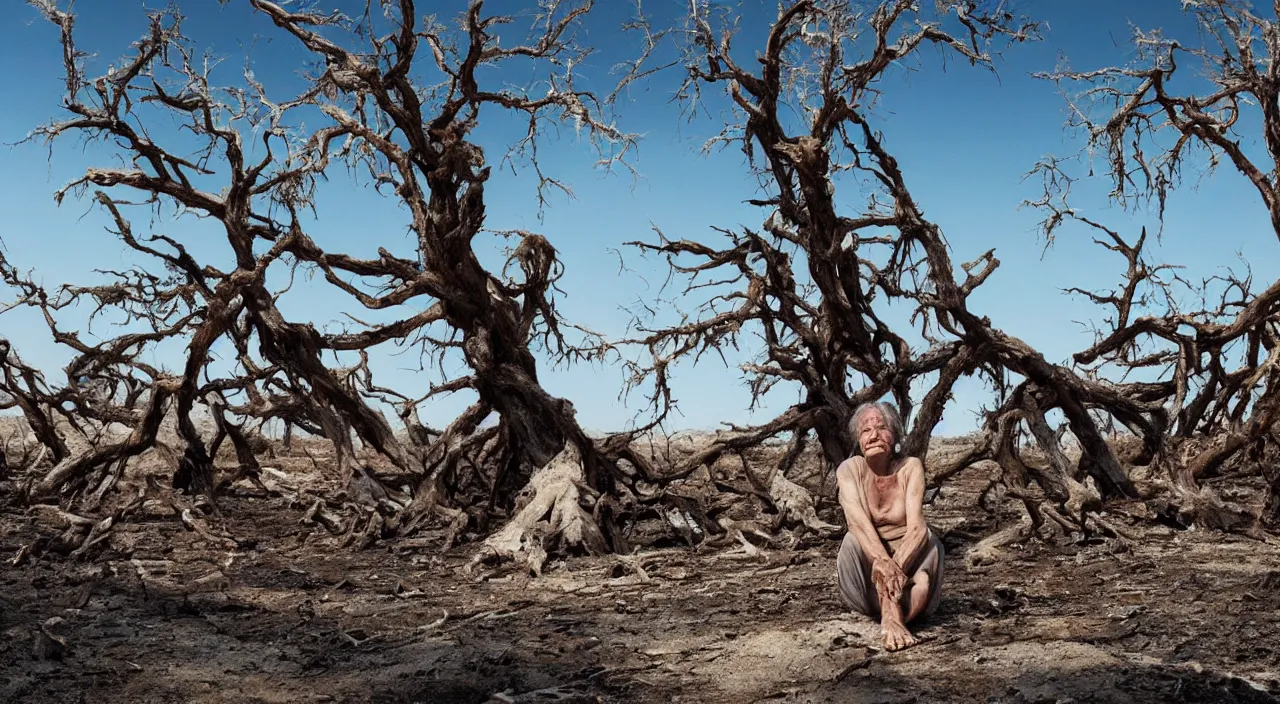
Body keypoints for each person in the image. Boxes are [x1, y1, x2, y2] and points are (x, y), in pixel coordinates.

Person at [834, 401, 944, 651]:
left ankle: (894, 613)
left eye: (881, 428)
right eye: (865, 431)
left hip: (907, 560)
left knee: (929, 539)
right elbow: (857, 524)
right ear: (858, 441)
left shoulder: (910, 467)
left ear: (894, 435)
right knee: (852, 540)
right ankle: (893, 614)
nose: (873, 435)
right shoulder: (850, 469)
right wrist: (882, 562)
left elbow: (916, 529)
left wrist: (892, 567)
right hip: (865, 571)